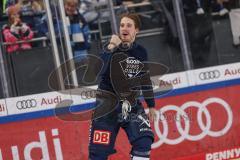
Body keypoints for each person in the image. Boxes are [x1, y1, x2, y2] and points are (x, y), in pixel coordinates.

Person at [88, 13, 157, 160]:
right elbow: (97, 71)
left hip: (130, 104)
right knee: (98, 154)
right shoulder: (109, 47)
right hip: (106, 106)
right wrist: (111, 47)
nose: (124, 28)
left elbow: (144, 79)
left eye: (128, 25)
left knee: (144, 142)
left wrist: (151, 105)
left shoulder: (141, 52)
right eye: (122, 25)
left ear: (136, 30)